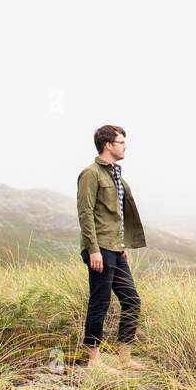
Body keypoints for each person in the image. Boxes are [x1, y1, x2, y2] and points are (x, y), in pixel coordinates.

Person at [76, 124, 147, 369]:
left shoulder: (116, 176)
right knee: (100, 302)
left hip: (115, 249)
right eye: (121, 142)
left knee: (132, 301)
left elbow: (115, 214)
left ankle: (124, 358)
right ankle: (94, 361)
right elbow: (85, 213)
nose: (125, 145)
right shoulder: (90, 174)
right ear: (108, 145)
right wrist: (93, 249)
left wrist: (122, 243)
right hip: (100, 249)